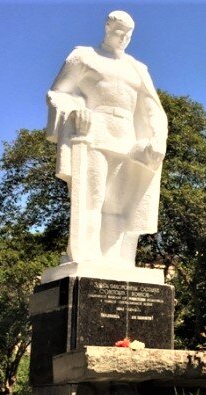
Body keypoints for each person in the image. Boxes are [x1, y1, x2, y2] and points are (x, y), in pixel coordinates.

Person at [46, 10, 168, 268]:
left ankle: (116, 261)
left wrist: (157, 139)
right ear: (107, 28)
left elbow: (151, 108)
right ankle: (86, 255)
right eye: (118, 32)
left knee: (119, 206)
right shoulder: (84, 56)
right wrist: (76, 109)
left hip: (128, 141)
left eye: (128, 34)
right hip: (94, 134)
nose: (123, 38)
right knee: (92, 198)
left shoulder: (138, 68)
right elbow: (58, 93)